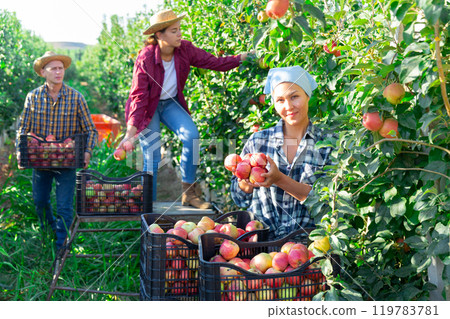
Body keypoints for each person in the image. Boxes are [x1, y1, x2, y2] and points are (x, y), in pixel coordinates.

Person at [119, 9, 253, 209]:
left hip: (170, 102)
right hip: (148, 107)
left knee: (192, 136)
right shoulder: (146, 57)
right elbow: (138, 97)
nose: (179, 34)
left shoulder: (185, 50)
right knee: (152, 155)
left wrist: (241, 57)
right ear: (159, 35)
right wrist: (130, 134)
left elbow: (214, 63)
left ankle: (189, 194)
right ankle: (149, 206)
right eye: (174, 31)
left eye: (179, 29)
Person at [230, 66, 335, 240]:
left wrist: (280, 179)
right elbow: (239, 197)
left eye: (294, 97)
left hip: (312, 251)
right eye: (280, 100)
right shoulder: (258, 142)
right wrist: (246, 182)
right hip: (261, 251)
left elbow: (327, 204)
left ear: (307, 96)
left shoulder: (328, 144)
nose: (288, 106)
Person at [16, 51, 98, 252]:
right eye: (53, 68)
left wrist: (87, 151)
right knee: (40, 201)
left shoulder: (76, 98)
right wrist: (21, 150)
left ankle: (62, 247)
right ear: (43, 72)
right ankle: (49, 229)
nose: (58, 72)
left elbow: (90, 130)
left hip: (66, 161)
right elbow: (23, 129)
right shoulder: (33, 97)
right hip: (40, 160)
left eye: (61, 68)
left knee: (64, 206)